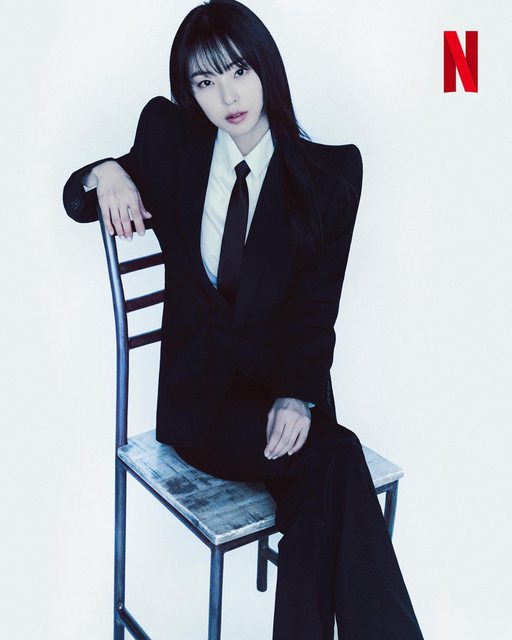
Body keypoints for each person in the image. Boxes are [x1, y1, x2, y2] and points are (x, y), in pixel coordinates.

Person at [62, 1, 424, 637]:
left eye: (238, 71)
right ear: (189, 91)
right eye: (205, 81)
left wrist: (296, 395)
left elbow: (318, 308)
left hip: (283, 405)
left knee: (319, 493)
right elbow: (76, 199)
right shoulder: (172, 143)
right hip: (203, 407)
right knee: (337, 462)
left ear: (266, 68)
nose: (227, 96)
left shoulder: (329, 176)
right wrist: (106, 172)